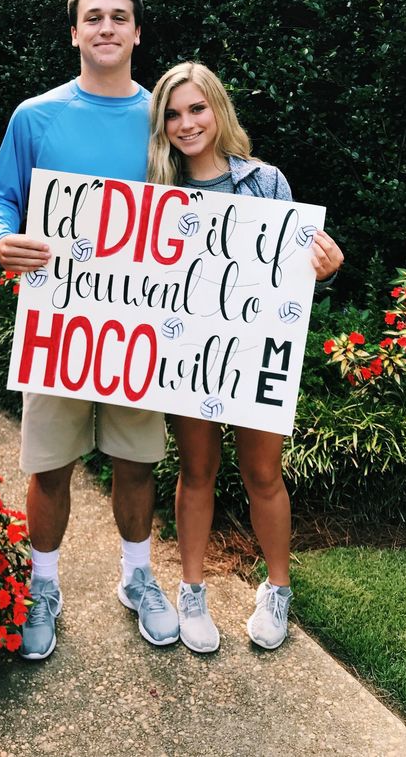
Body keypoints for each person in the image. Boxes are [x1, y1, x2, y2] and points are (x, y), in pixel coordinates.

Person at [0, 0, 179, 660]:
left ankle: (137, 577)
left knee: (135, 462)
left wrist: (296, 245)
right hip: (59, 327)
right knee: (50, 467)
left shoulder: (162, 119)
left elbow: (215, 202)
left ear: (136, 32)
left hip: (140, 328)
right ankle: (42, 587)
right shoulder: (35, 116)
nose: (106, 27)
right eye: (93, 16)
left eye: (119, 16)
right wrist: (1, 236)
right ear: (74, 32)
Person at [147, 61, 344, 654]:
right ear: (162, 125)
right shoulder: (154, 192)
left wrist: (324, 272)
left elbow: (294, 278)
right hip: (186, 354)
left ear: (218, 109)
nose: (187, 123)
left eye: (197, 108)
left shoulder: (266, 182)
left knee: (263, 474)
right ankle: (192, 589)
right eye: (174, 114)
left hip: (257, 353)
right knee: (197, 471)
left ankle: (277, 588)